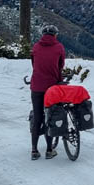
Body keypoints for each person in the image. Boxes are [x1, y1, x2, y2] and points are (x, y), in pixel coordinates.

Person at [29, 24, 65, 160]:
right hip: (52, 88)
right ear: (55, 35)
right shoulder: (59, 47)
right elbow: (60, 65)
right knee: (49, 116)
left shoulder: (36, 47)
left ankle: (34, 150)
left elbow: (34, 64)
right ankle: (49, 150)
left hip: (37, 86)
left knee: (38, 117)